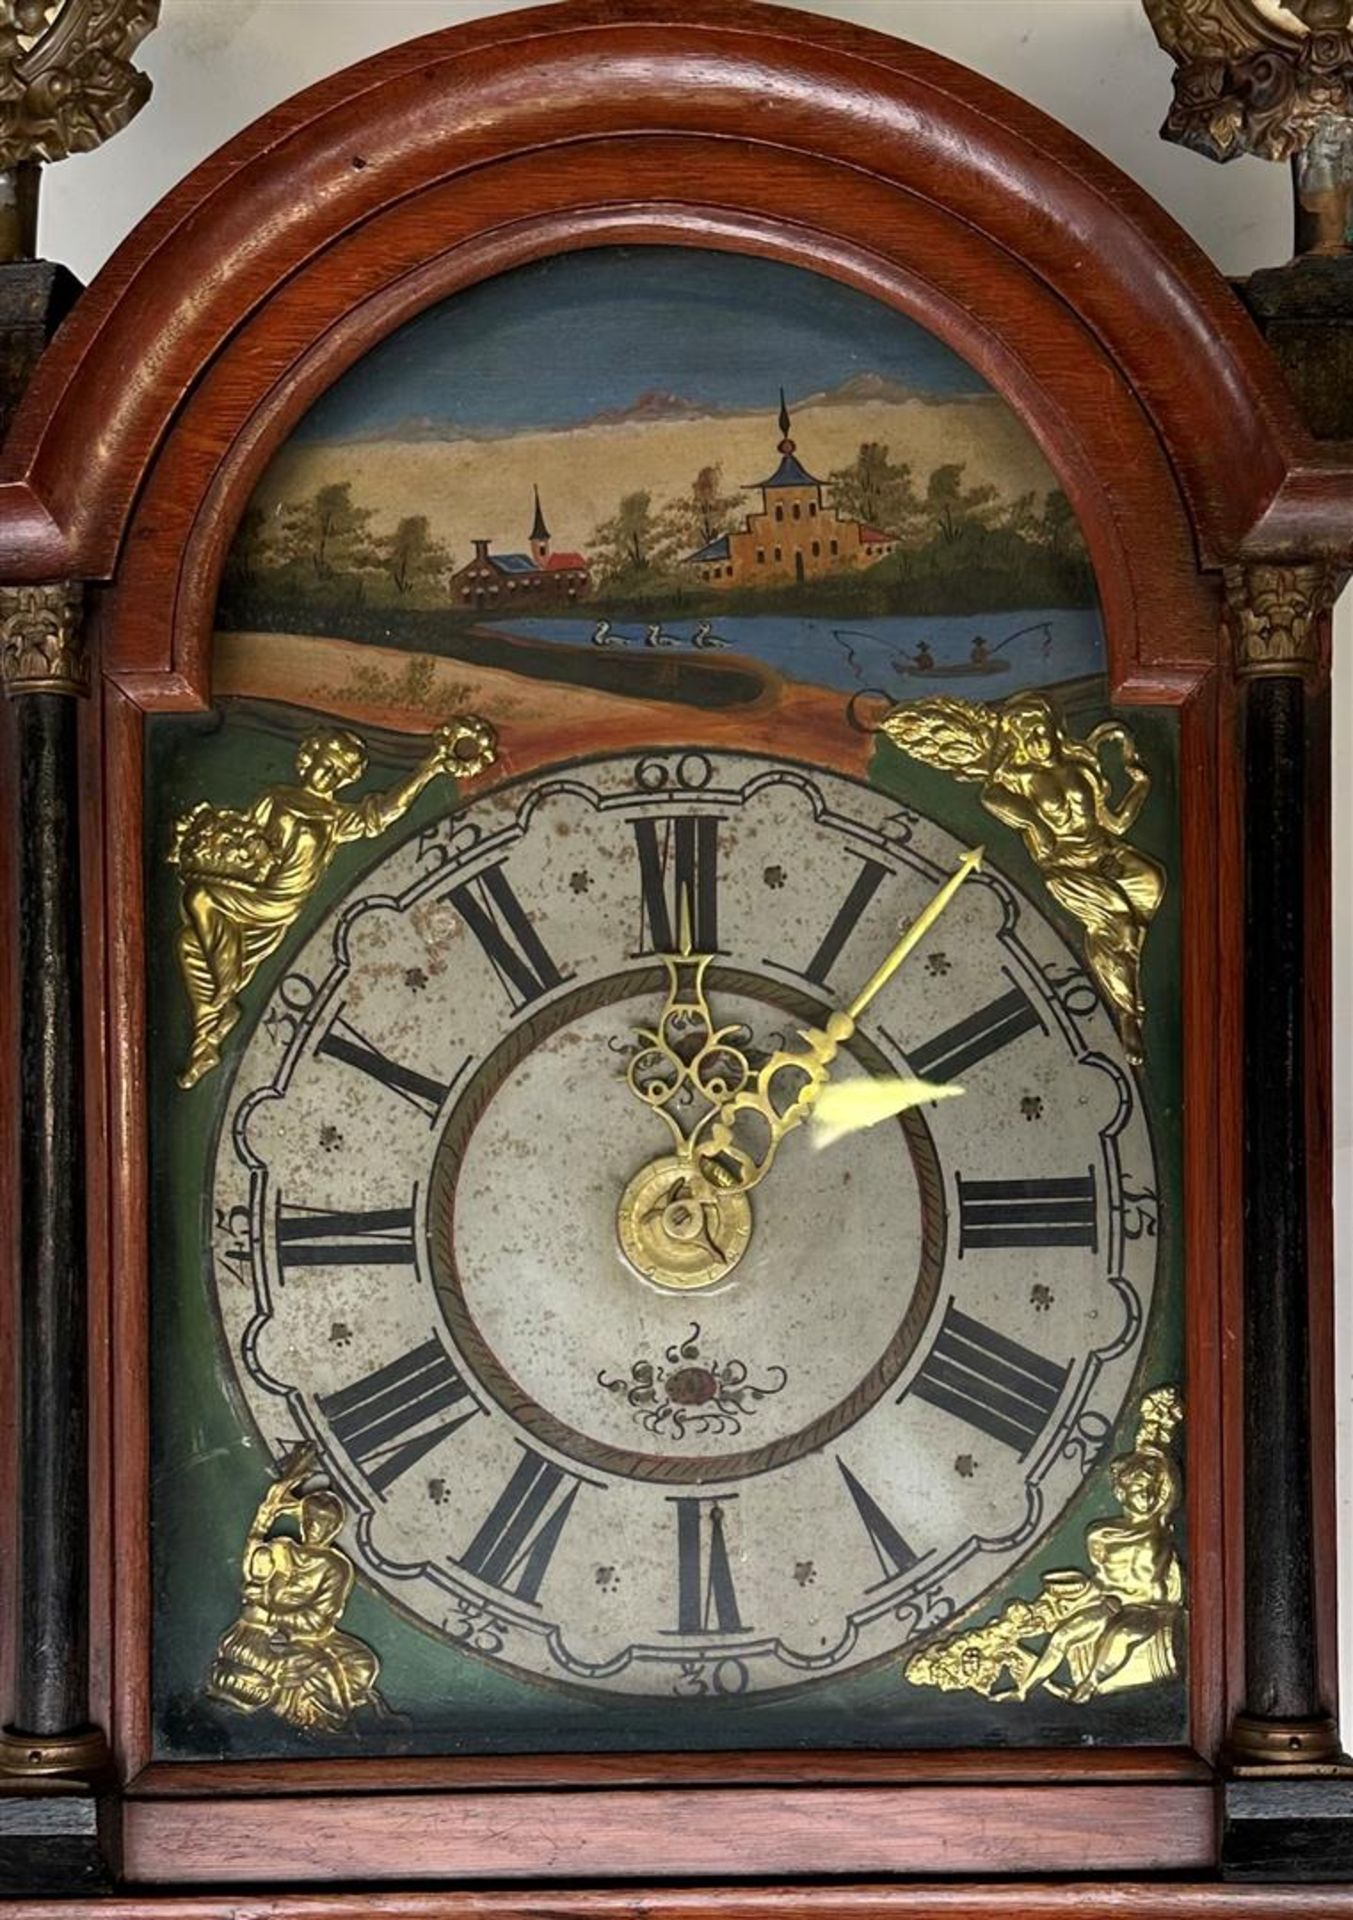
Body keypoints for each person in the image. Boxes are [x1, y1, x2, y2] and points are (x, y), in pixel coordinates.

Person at [171, 717, 494, 1087]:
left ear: (346, 779)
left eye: (337, 771)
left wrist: (430, 767)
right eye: (323, 762)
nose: (327, 773)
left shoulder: (334, 817)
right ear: (307, 758)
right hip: (253, 886)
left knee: (199, 897)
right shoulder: (274, 798)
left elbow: (384, 813)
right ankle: (207, 1037)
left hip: (280, 899)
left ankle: (223, 996)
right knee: (188, 945)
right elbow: (248, 836)